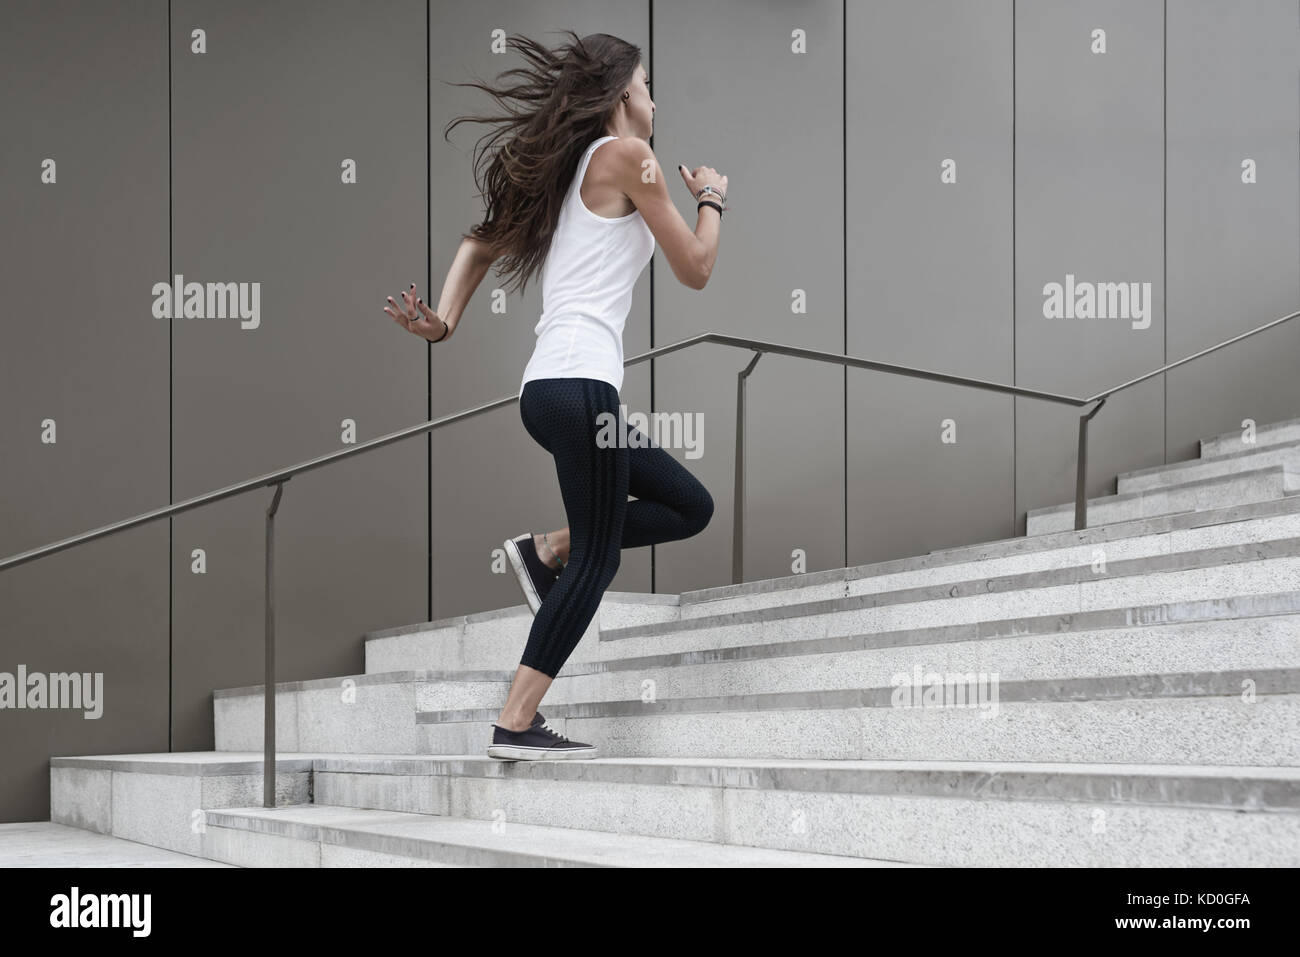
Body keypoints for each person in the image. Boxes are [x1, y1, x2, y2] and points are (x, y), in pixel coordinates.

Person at [383, 31, 725, 761]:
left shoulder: (573, 173)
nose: (656, 100)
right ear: (621, 97)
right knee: (600, 561)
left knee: (689, 505)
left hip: (552, 390)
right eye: (647, 85)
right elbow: (695, 268)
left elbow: (478, 244)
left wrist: (444, 323)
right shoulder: (631, 158)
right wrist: (714, 201)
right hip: (580, 388)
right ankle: (515, 721)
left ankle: (548, 548)